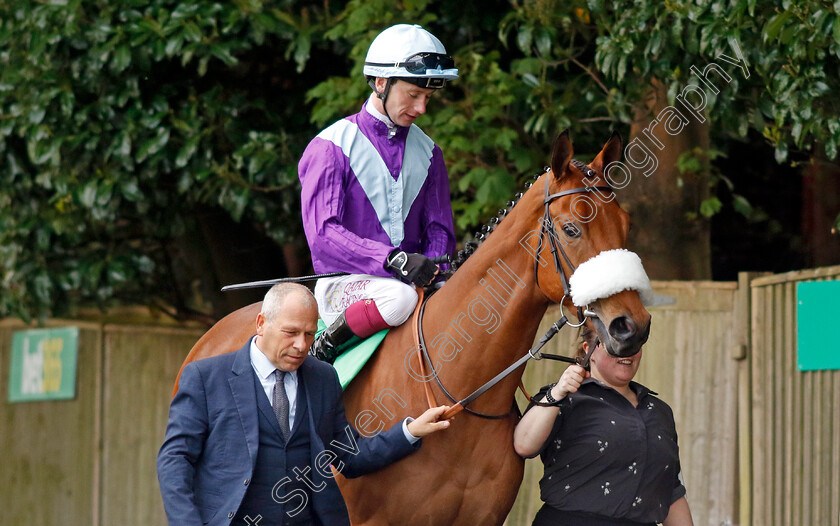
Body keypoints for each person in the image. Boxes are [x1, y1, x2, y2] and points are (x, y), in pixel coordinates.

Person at [157, 283, 452, 526]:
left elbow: (350, 456)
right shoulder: (206, 378)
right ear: (262, 323)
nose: (302, 345)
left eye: (310, 334)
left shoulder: (323, 377)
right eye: (291, 332)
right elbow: (175, 460)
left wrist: (411, 430)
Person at [298, 23, 458, 363]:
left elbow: (439, 229)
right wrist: (394, 260)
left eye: (427, 98)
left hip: (413, 285)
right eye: (413, 95)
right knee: (398, 299)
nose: (421, 108)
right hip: (344, 286)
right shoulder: (330, 146)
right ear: (381, 83)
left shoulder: (430, 153)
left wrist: (432, 264)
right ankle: (325, 346)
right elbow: (324, 236)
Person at [513, 326, 694, 526]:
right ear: (589, 350)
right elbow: (523, 445)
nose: (627, 351)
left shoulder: (659, 411)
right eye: (614, 343)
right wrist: (557, 392)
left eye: (634, 343)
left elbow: (671, 489)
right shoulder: (566, 397)